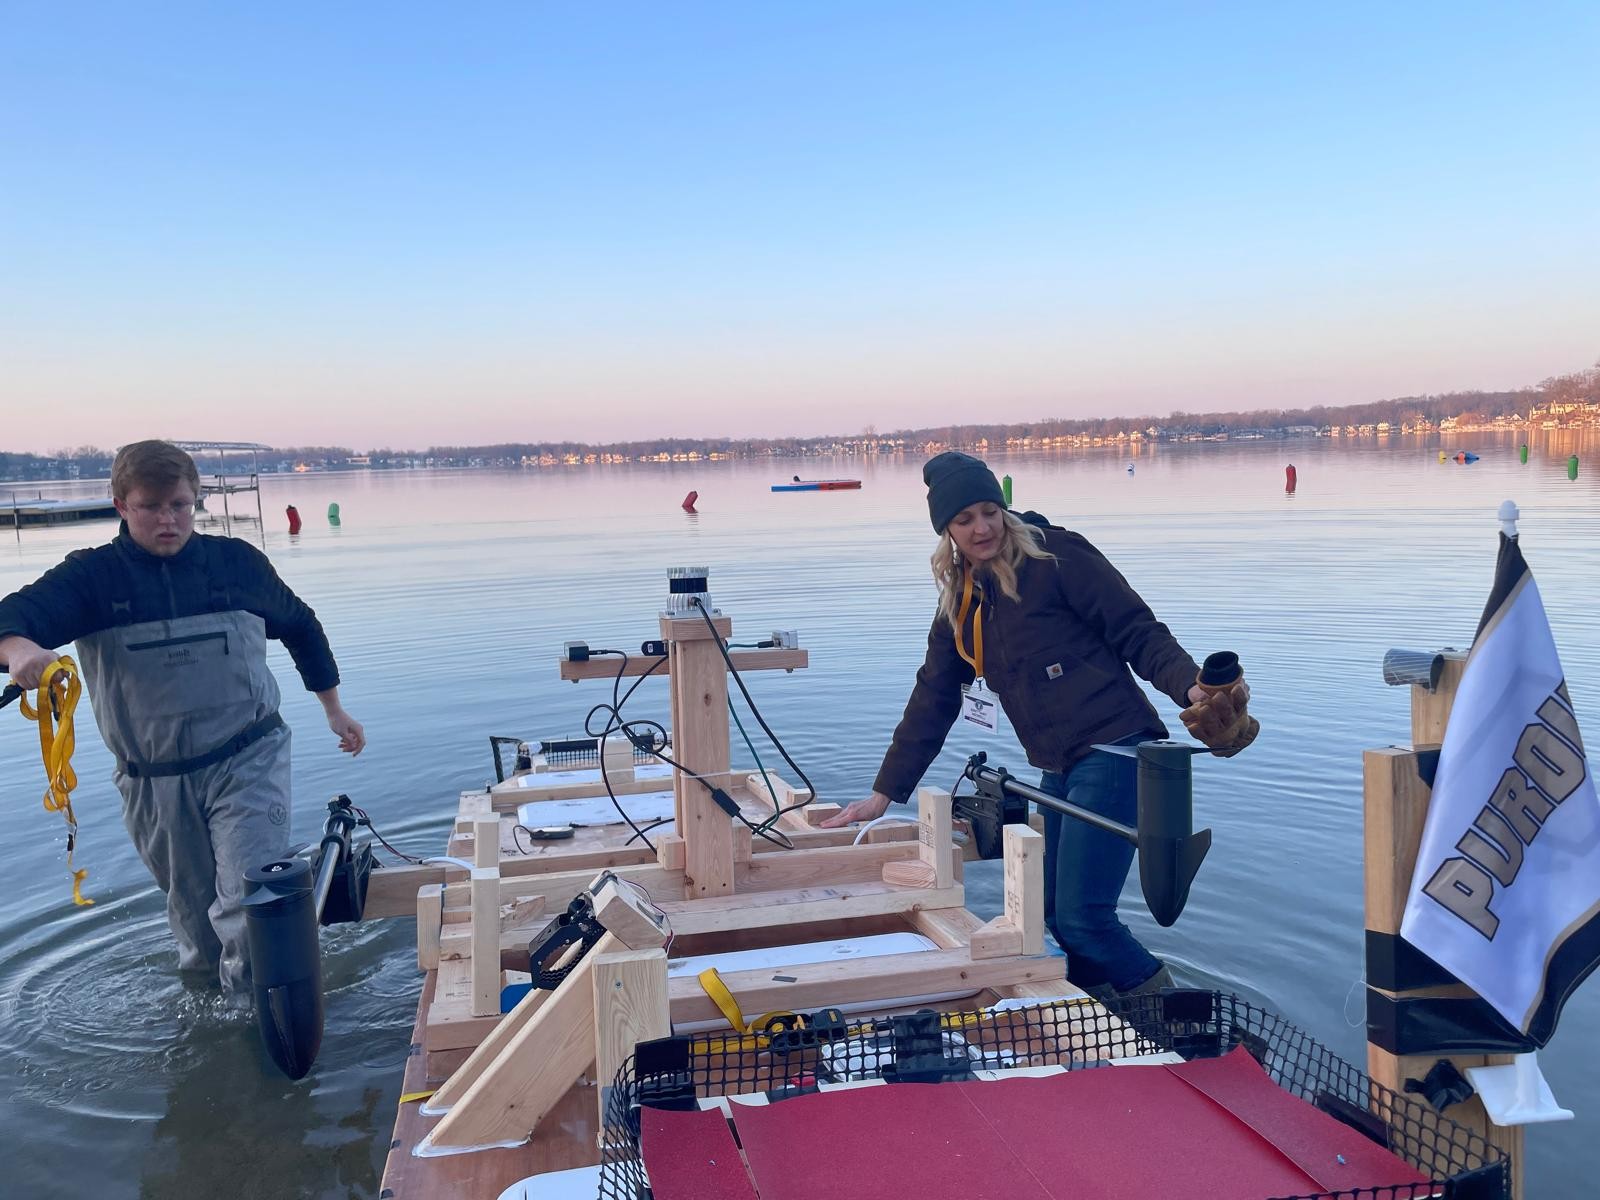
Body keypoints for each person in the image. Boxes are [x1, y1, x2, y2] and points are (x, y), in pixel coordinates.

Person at [822, 452, 1253, 1001]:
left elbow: (1138, 632)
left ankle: (1185, 1021)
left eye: (988, 512)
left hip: (1117, 751)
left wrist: (1191, 688)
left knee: (1084, 917)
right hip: (1056, 766)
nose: (981, 528)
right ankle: (1104, 1016)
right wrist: (884, 794)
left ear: (1001, 509)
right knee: (1052, 912)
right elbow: (934, 696)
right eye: (964, 519)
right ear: (946, 530)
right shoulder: (961, 601)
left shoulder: (1057, 558)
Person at [0, 440, 365, 1003]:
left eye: (180, 505)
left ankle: (265, 1023)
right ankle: (209, 1025)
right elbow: (11, 619)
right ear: (121, 504)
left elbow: (300, 624)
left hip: (249, 757)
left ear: (196, 500)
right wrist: (20, 649)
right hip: (153, 779)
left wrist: (333, 709)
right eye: (151, 507)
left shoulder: (237, 564)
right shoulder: (91, 579)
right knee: (196, 925)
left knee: (250, 902)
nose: (168, 520)